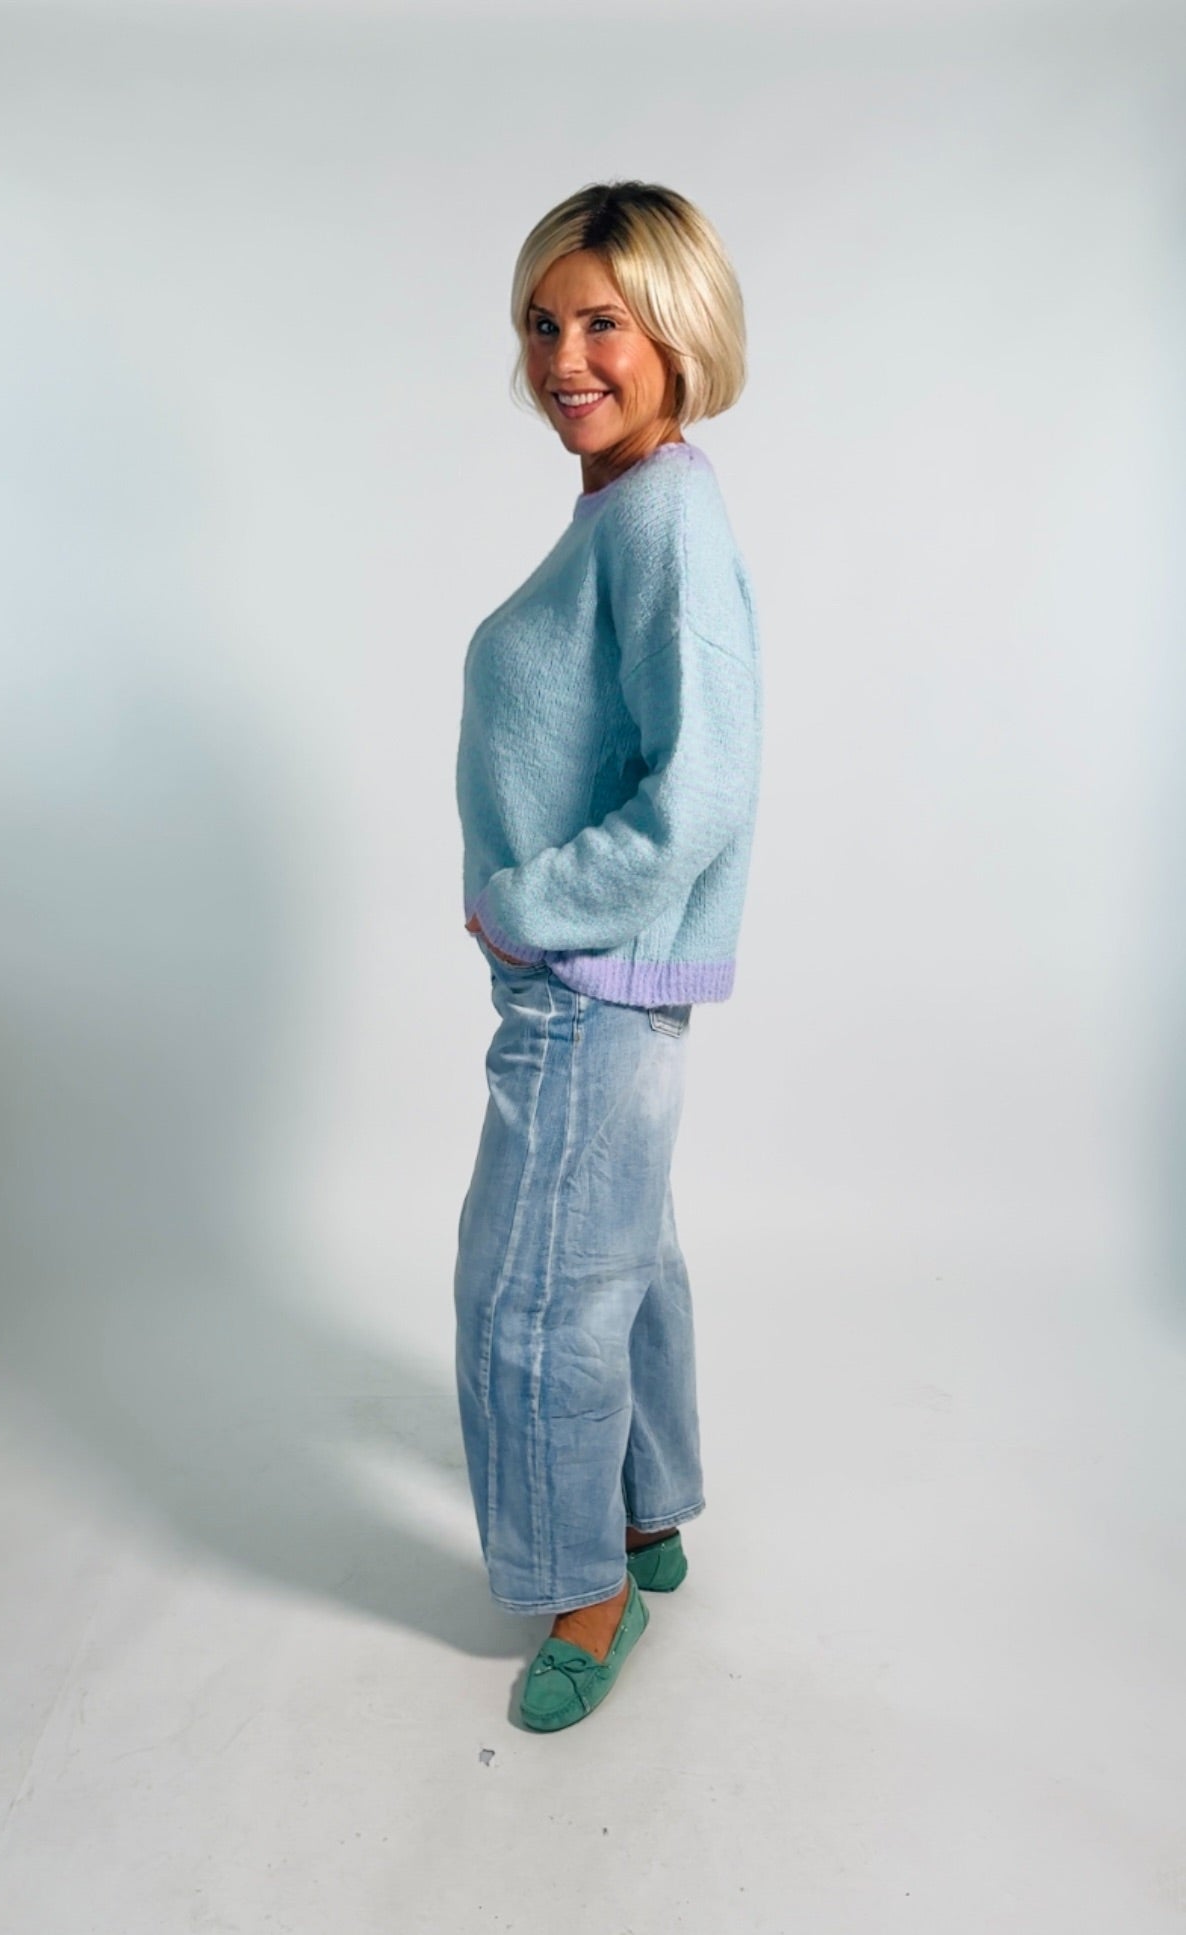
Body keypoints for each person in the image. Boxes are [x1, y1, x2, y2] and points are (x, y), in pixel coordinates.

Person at [453, 180, 763, 1731]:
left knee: (530, 1296)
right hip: (598, 979)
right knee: (618, 1257)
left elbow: (698, 789)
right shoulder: (633, 507)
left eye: (601, 324)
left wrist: (532, 907)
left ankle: (582, 1589)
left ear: (678, 335)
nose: (562, 358)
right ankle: (641, 1518)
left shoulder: (660, 517)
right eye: (541, 323)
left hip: (587, 983)